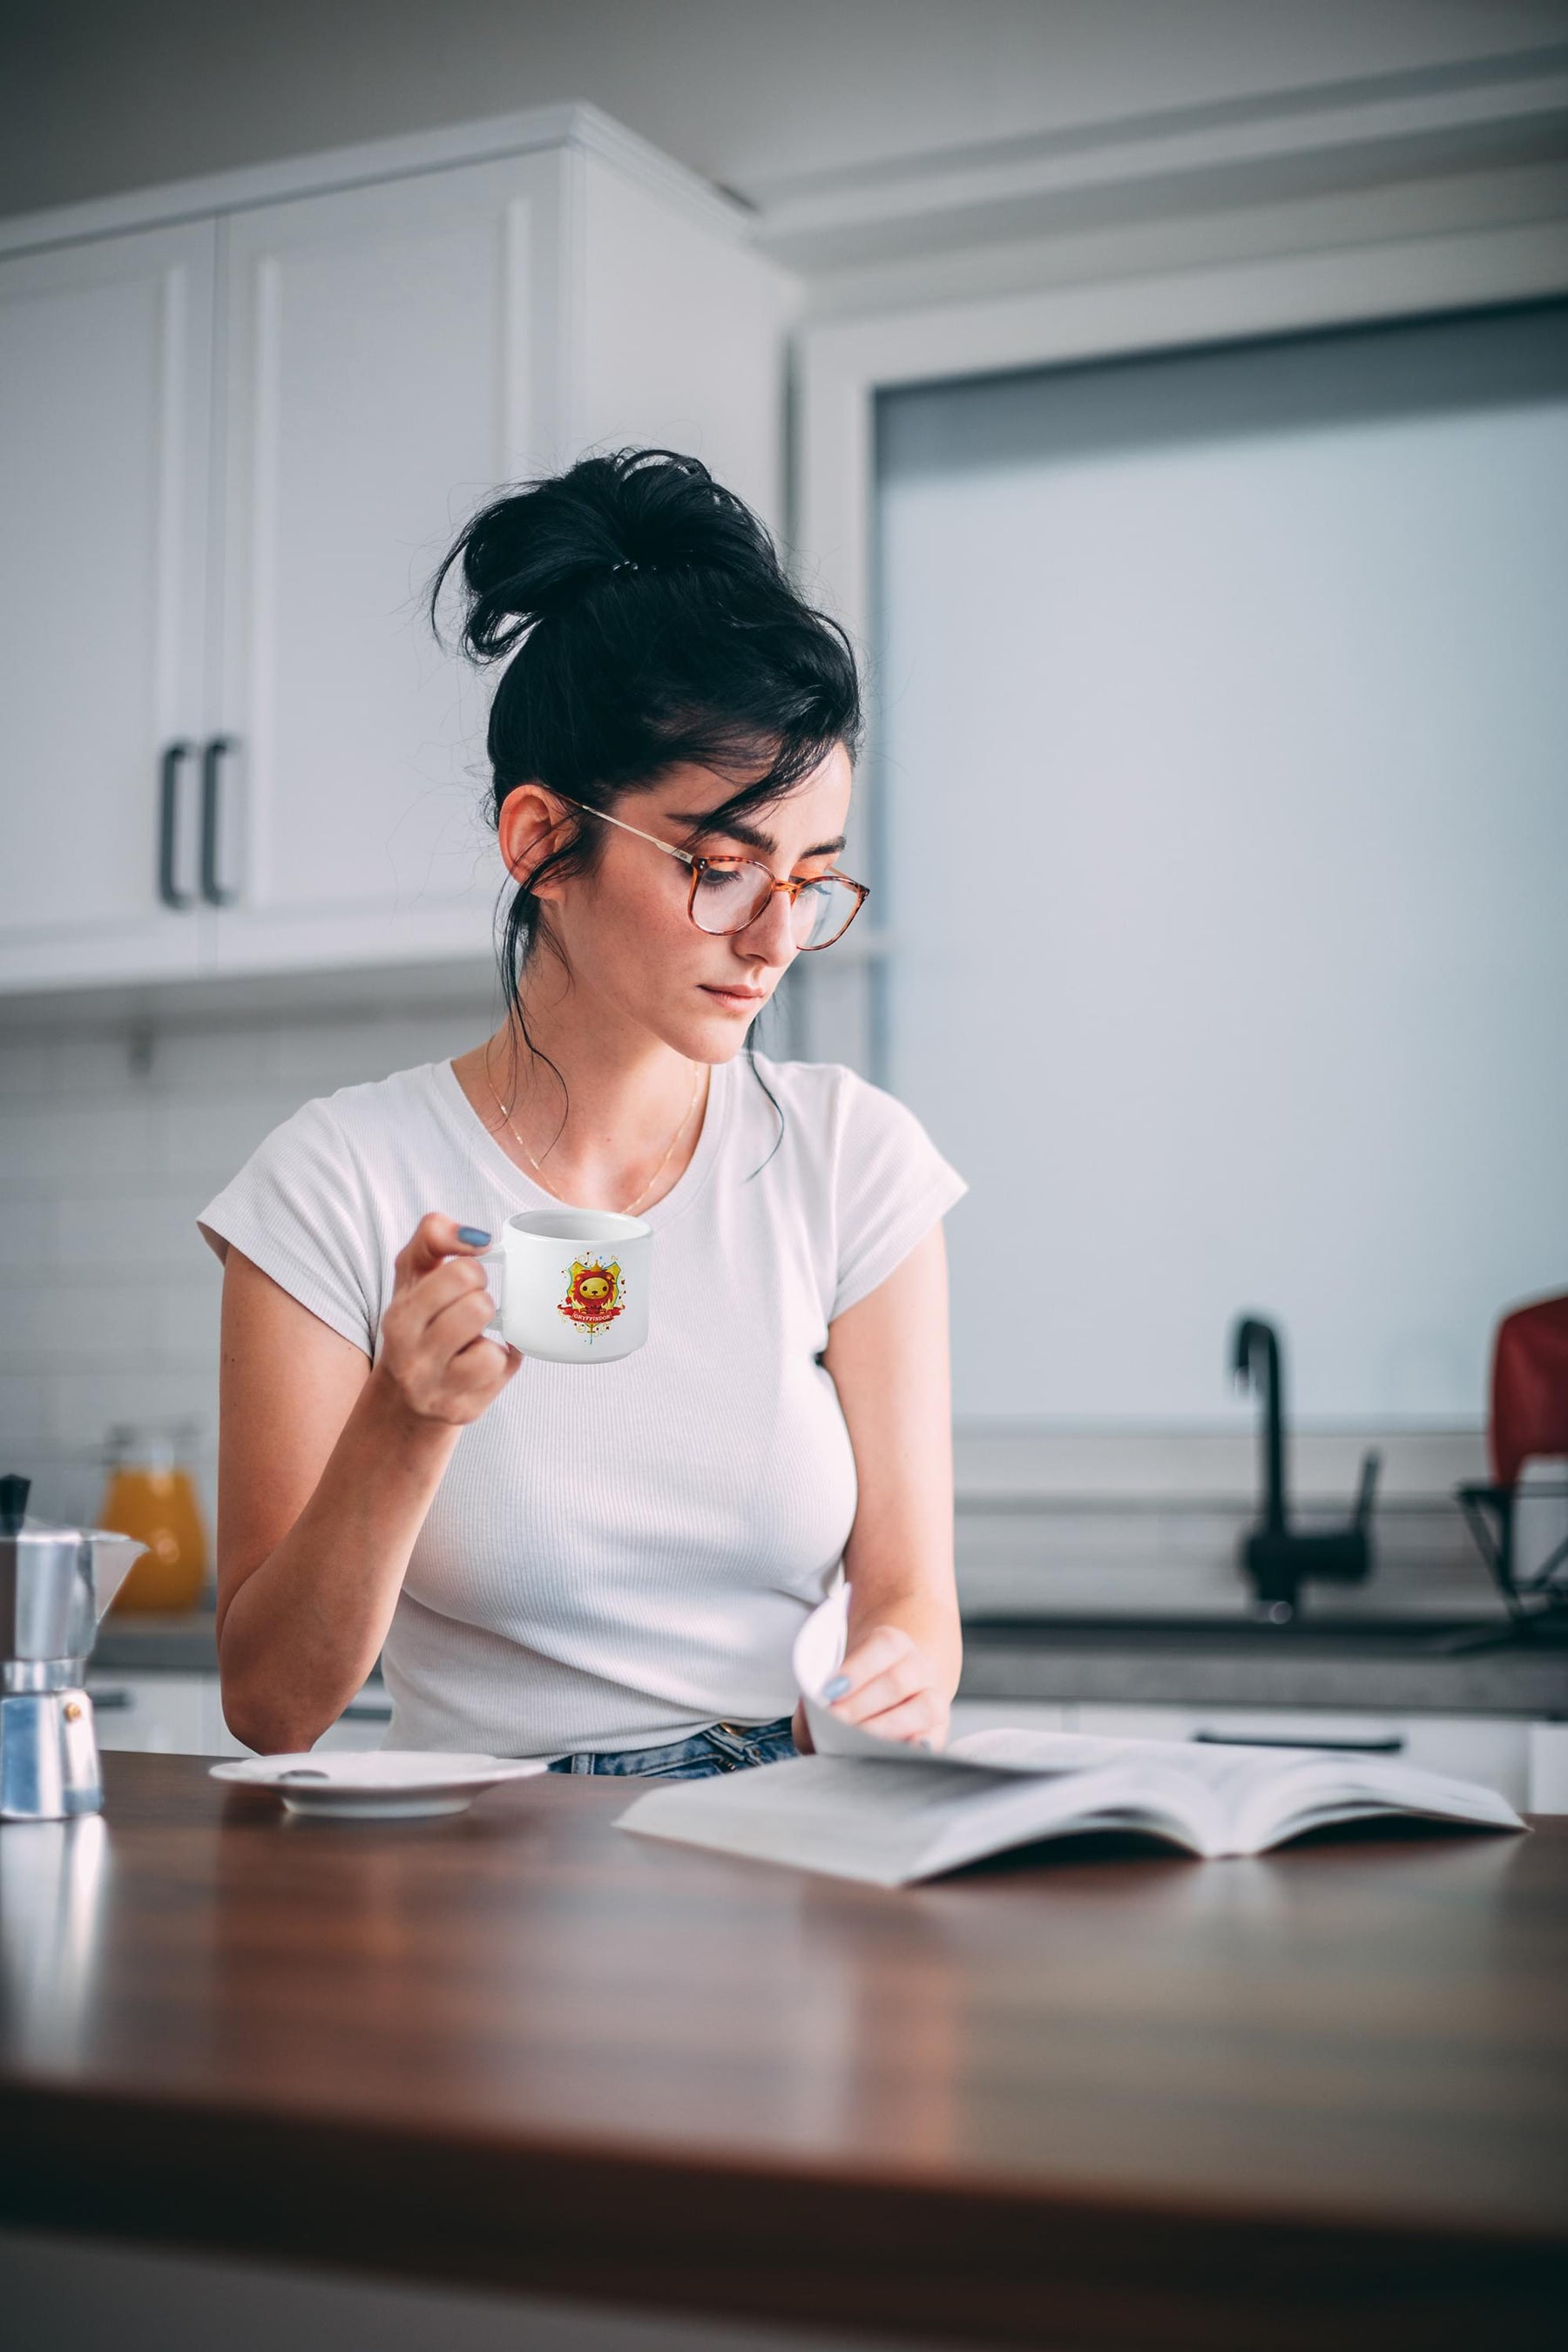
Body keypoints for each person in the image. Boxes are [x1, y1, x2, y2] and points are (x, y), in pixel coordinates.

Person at [198, 448, 968, 1779]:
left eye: (814, 878)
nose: (777, 936)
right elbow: (272, 1708)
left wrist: (897, 1674)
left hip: (788, 1835)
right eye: (723, 869)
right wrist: (406, 1418)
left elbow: (913, 1606)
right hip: (494, 1873)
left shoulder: (853, 1162)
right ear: (543, 842)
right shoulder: (336, 1182)